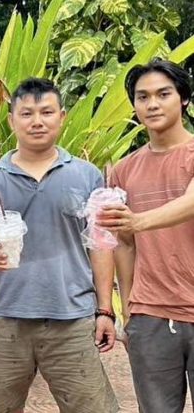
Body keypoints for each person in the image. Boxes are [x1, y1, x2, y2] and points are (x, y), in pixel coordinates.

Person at [0, 78, 118, 413]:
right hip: (6, 318)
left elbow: (101, 244)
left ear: (61, 117)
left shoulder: (87, 175)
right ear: (12, 120)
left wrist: (105, 309)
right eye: (27, 113)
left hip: (72, 318)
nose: (37, 121)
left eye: (46, 112)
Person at [97, 59, 194, 412]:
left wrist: (137, 221)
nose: (152, 104)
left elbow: (191, 202)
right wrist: (130, 310)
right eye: (143, 97)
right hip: (150, 316)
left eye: (163, 94)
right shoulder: (124, 170)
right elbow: (123, 244)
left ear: (184, 99)